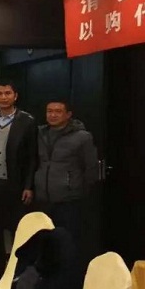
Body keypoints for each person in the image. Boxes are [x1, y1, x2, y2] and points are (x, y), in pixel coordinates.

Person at [0, 79, 37, 283]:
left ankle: (17, 276)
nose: (3, 97)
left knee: (17, 232)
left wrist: (28, 185)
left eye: (7, 93)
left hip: (16, 185)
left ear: (15, 96)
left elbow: (32, 157)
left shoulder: (27, 121)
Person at [34, 100, 98, 255]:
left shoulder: (82, 137)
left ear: (68, 114)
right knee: (44, 242)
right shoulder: (39, 133)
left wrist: (80, 189)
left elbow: (90, 167)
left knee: (67, 242)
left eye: (58, 111)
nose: (53, 115)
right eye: (49, 111)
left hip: (69, 199)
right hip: (42, 198)